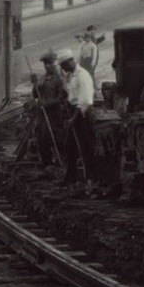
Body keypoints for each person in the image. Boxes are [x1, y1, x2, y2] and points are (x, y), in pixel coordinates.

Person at [56, 48, 98, 187]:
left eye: (63, 65)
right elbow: (72, 95)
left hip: (83, 115)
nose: (62, 68)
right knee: (69, 147)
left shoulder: (83, 75)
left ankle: (90, 178)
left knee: (85, 147)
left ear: (70, 61)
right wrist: (65, 96)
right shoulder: (71, 75)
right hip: (73, 112)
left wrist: (72, 120)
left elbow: (84, 102)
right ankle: (71, 177)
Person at [30, 50, 65, 166]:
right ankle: (46, 162)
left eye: (49, 63)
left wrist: (48, 103)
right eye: (45, 64)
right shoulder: (42, 78)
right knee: (41, 137)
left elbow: (62, 98)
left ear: (55, 64)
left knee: (56, 138)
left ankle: (61, 161)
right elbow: (35, 94)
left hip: (54, 114)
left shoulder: (59, 79)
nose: (47, 66)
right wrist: (34, 84)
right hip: (42, 114)